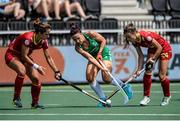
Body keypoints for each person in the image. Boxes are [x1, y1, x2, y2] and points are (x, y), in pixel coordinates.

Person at [70, 23, 132, 107]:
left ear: (81, 33)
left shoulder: (91, 34)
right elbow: (90, 58)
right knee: (89, 77)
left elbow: (103, 40)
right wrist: (101, 68)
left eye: (78, 38)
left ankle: (124, 86)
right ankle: (103, 98)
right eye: (75, 40)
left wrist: (99, 53)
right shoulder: (78, 48)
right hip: (93, 57)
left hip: (103, 53)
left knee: (106, 78)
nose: (77, 41)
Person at [4, 18, 62, 109]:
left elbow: (48, 57)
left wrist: (56, 71)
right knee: (22, 70)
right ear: (40, 33)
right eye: (46, 34)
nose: (48, 36)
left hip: (25, 56)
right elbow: (24, 56)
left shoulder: (43, 41)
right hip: (12, 54)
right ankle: (16, 98)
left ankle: (35, 103)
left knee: (36, 79)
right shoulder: (28, 38)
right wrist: (37, 66)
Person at [123, 23, 172, 106]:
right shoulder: (135, 41)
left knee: (161, 76)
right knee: (147, 72)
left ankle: (167, 96)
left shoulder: (146, 37)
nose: (129, 40)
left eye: (129, 37)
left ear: (134, 32)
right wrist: (138, 70)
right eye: (127, 38)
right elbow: (140, 56)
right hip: (152, 50)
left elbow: (159, 48)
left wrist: (152, 60)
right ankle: (146, 97)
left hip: (164, 49)